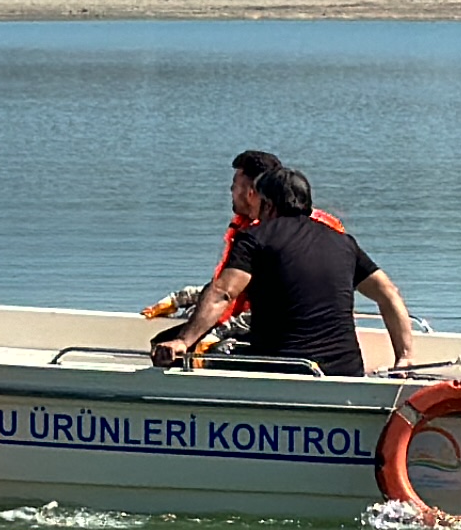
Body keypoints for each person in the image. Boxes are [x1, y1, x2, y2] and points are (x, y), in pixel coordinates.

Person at [154, 161, 416, 376]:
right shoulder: (343, 243)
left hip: (281, 369)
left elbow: (223, 293)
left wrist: (183, 341)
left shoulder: (256, 238)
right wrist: (404, 358)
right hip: (345, 371)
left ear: (267, 205)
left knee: (201, 359)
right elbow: (388, 294)